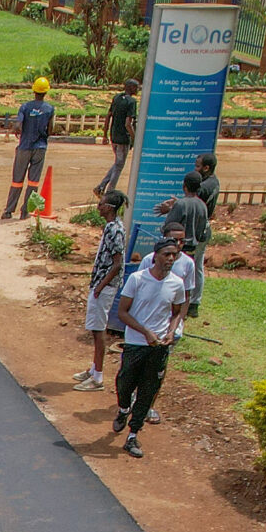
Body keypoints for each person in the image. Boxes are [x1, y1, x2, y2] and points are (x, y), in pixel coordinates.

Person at [111, 236, 190, 459]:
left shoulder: (177, 283)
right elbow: (122, 312)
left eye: (174, 255)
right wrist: (145, 332)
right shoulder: (137, 279)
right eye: (167, 254)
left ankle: (133, 434)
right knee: (125, 383)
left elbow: (176, 313)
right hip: (136, 343)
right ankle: (123, 408)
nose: (171, 259)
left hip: (159, 346)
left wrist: (171, 331)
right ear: (155, 256)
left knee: (148, 389)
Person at [76, 189, 130, 391]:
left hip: (104, 286)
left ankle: (98, 377)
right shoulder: (111, 227)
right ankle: (93, 369)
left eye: (101, 204)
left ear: (109, 207)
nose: (98, 207)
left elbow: (117, 263)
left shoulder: (115, 230)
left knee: (98, 330)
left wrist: (100, 286)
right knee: (95, 328)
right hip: (101, 284)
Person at [0, 75, 55, 220]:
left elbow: (18, 125)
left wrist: (17, 130)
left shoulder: (25, 107)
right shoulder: (49, 109)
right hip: (40, 147)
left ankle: (8, 211)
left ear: (34, 90)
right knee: (33, 181)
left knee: (17, 180)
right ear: (46, 92)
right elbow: (50, 130)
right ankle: (25, 212)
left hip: (24, 146)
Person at [159, 169, 211, 317]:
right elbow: (202, 229)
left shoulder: (181, 204)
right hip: (194, 248)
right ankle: (191, 307)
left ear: (184, 186)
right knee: (190, 278)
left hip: (179, 249)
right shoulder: (202, 205)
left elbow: (168, 227)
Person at [96, 78, 138, 198]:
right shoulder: (132, 102)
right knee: (119, 166)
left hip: (114, 136)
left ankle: (101, 187)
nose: (138, 89)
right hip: (123, 138)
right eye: (136, 87)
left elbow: (108, 116)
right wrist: (134, 139)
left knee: (117, 164)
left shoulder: (117, 98)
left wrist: (105, 134)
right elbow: (128, 124)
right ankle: (109, 191)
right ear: (130, 87)